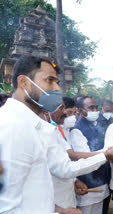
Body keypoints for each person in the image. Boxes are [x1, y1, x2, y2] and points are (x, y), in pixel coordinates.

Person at [0, 55, 83, 213]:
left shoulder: (30, 125)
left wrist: (59, 210)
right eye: (49, 80)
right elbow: (6, 208)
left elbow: (31, 192)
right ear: (24, 82)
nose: (57, 89)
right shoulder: (12, 126)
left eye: (57, 82)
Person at [69, 96, 111, 214]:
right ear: (80, 110)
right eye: (91, 108)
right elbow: (85, 157)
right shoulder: (77, 130)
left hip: (101, 181)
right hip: (87, 184)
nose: (95, 110)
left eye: (96, 107)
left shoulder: (98, 125)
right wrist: (107, 154)